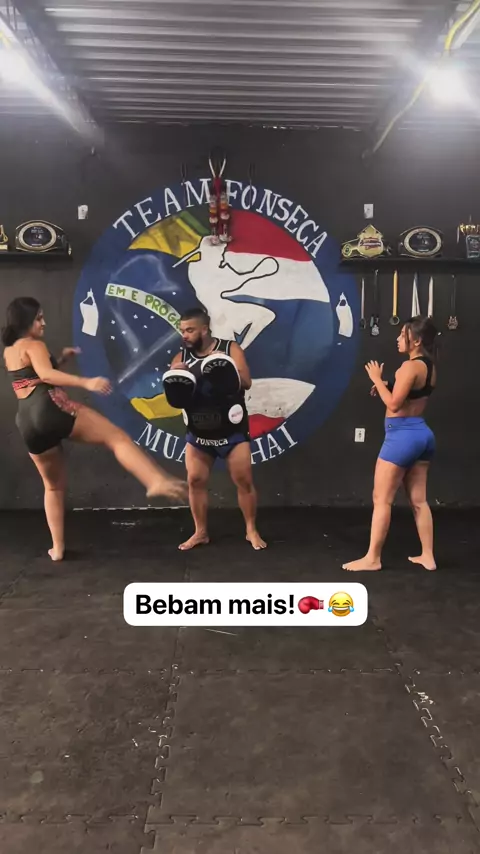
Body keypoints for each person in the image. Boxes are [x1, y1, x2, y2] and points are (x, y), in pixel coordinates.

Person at [2, 297, 187, 561]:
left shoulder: (10, 351)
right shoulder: (34, 344)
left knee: (52, 487)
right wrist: (86, 382)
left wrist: (60, 360)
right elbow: (46, 376)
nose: (43, 323)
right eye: (39, 318)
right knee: (116, 438)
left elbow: (32, 376)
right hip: (50, 406)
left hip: (27, 422)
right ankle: (154, 480)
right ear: (25, 321)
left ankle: (57, 548)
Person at [165, 307, 266, 551]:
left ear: (204, 329)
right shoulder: (180, 358)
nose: (184, 335)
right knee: (195, 480)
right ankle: (200, 532)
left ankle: (251, 530)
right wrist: (177, 376)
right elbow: (175, 397)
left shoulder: (230, 349)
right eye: (182, 331)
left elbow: (246, 382)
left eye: (190, 330)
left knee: (243, 480)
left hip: (232, 431)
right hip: (199, 433)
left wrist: (225, 369)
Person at [343, 315, 438, 573]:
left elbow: (394, 404)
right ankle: (428, 556)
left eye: (402, 335)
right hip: (422, 434)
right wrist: (388, 385)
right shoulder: (429, 366)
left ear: (416, 341)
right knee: (419, 500)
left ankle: (372, 558)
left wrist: (377, 379)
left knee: (381, 499)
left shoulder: (408, 367)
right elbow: (411, 394)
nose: (398, 338)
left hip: (402, 437)